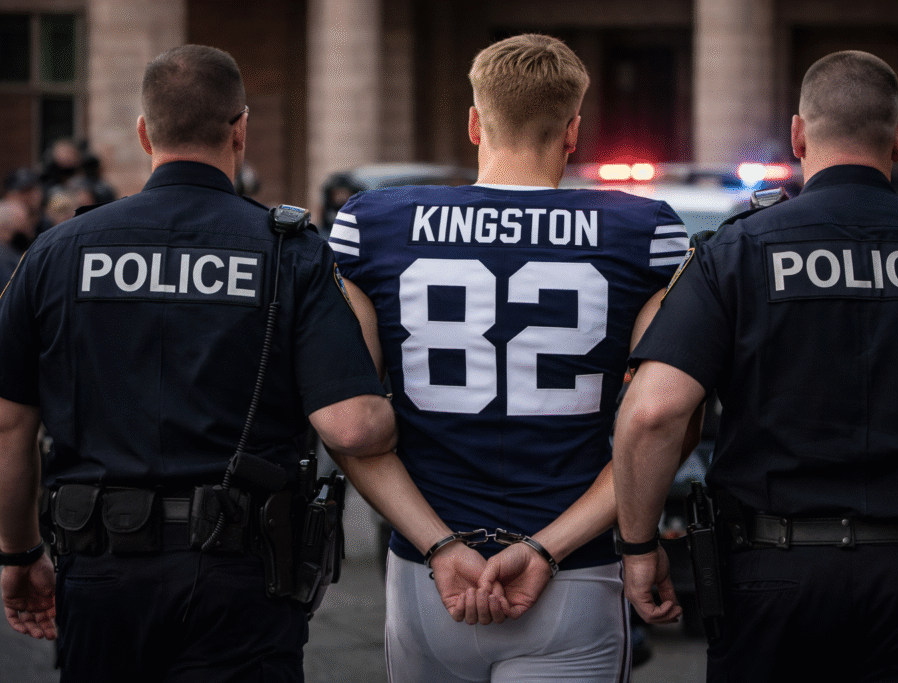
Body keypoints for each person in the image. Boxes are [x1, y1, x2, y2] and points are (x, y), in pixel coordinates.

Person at [612, 50, 898, 683]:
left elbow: (653, 413)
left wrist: (638, 548)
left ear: (800, 135)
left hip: (774, 581)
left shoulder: (736, 253)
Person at [0, 44, 396, 682]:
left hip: (99, 567)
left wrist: (16, 554)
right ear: (241, 129)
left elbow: (9, 423)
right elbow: (351, 426)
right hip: (242, 575)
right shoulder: (289, 252)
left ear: (143, 131)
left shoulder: (57, 252)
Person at [330, 33, 698, 682]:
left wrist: (439, 545)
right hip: (576, 565)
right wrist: (547, 547)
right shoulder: (647, 232)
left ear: (474, 121)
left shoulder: (372, 222)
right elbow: (658, 423)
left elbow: (349, 422)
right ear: (573, 131)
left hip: (426, 569)